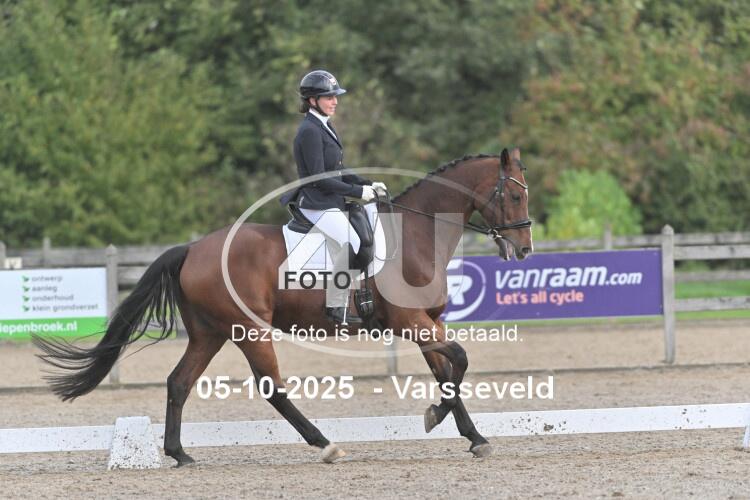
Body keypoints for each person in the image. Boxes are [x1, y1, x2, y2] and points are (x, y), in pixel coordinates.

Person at [279, 70, 387, 325]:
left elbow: (338, 169)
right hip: (317, 203)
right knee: (352, 243)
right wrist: (357, 192)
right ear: (312, 100)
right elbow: (319, 178)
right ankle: (335, 306)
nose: (335, 101)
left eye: (335, 96)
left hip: (330, 201)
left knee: (363, 237)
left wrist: (366, 183)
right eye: (329, 97)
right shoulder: (309, 130)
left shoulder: (324, 125)